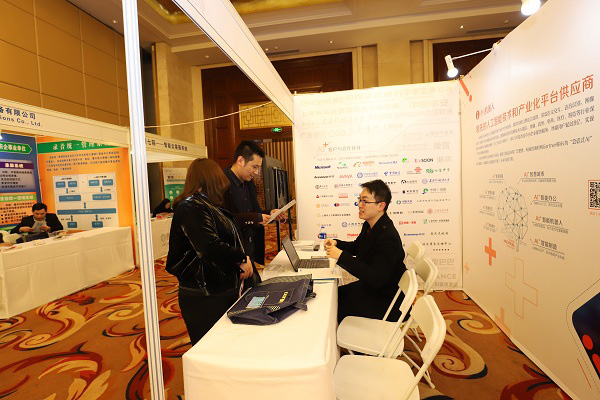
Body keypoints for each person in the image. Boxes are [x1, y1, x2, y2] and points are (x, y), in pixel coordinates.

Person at [166, 158, 254, 345]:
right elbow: (209, 247)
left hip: (216, 289)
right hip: (204, 293)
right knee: (209, 347)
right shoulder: (192, 206)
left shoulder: (206, 205)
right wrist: (240, 259)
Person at [324, 179, 406, 323]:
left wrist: (341, 256)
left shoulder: (388, 237)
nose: (360, 205)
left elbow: (376, 278)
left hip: (386, 300)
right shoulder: (370, 225)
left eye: (365, 201)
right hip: (371, 289)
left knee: (333, 307)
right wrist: (337, 243)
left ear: (381, 206)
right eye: (360, 200)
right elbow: (357, 247)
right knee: (332, 296)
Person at [223, 141, 284, 265]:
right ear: (240, 161)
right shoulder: (222, 183)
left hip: (252, 243)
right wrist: (255, 218)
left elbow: (254, 211)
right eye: (254, 167)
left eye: (258, 168)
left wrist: (270, 213)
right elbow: (224, 218)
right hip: (234, 247)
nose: (256, 172)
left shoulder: (249, 182)